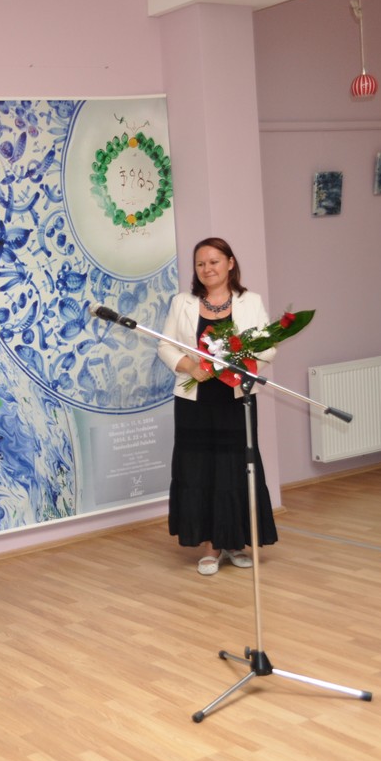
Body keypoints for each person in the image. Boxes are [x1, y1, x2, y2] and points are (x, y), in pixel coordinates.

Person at [157, 236, 279, 575]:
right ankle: (211, 546)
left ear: (230, 263)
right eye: (200, 263)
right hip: (194, 401)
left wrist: (240, 365)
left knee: (235, 468)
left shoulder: (250, 301)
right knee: (200, 469)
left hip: (235, 398)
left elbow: (268, 346)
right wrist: (189, 366)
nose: (207, 268)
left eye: (213, 261)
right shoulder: (182, 302)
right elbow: (165, 346)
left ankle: (234, 542)